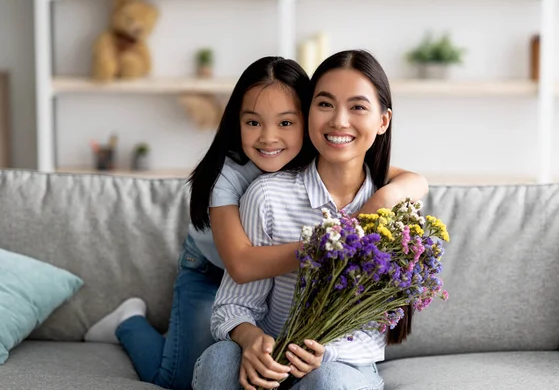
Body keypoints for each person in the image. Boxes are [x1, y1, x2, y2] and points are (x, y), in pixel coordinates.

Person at [85, 54, 426, 390]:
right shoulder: (237, 180)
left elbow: (392, 174)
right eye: (325, 104)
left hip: (295, 315)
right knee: (177, 377)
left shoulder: (385, 199)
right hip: (210, 266)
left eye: (284, 123)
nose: (268, 138)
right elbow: (242, 266)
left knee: (330, 378)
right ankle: (129, 321)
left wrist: (383, 200)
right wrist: (331, 244)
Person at [192, 50, 412, 390]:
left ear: (383, 121)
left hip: (341, 364)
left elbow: (374, 330)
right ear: (308, 114)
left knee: (329, 380)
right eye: (325, 104)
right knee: (220, 362)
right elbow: (236, 298)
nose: (339, 120)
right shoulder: (265, 194)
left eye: (357, 107)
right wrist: (251, 338)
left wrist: (327, 353)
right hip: (269, 354)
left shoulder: (395, 207)